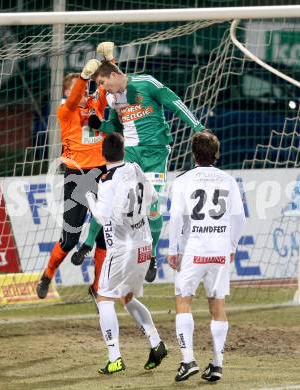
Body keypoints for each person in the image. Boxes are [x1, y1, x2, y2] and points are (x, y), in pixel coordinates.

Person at [75, 41, 205, 284]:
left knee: (153, 209)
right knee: (111, 197)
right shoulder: (114, 100)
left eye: (103, 83)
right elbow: (115, 127)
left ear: (114, 75)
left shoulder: (147, 83)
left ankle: (152, 256)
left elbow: (175, 103)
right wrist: (99, 125)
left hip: (155, 156)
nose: (103, 89)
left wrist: (198, 127)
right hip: (130, 155)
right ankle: (87, 245)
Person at [86, 132, 168, 374]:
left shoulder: (107, 181)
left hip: (123, 248)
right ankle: (156, 343)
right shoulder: (135, 168)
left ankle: (115, 357)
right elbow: (152, 197)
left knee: (104, 299)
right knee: (126, 297)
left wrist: (90, 197)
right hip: (144, 244)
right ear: (124, 152)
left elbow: (101, 216)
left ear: (103, 154)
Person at [167, 130, 245, 383]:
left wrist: (172, 249)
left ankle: (188, 359)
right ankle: (217, 364)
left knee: (183, 300)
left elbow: (177, 216)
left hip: (194, 249)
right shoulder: (229, 181)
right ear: (217, 154)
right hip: (220, 251)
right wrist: (231, 246)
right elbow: (238, 217)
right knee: (217, 305)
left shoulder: (182, 181)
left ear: (193, 155)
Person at [36, 59, 109, 299]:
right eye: (74, 88)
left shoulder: (95, 106)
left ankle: (97, 288)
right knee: (70, 239)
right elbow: (79, 91)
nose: (80, 91)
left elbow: (105, 84)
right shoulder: (65, 111)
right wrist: (84, 78)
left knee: (103, 237)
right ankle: (47, 275)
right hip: (77, 175)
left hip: (101, 173)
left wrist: (109, 60)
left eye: (83, 88)